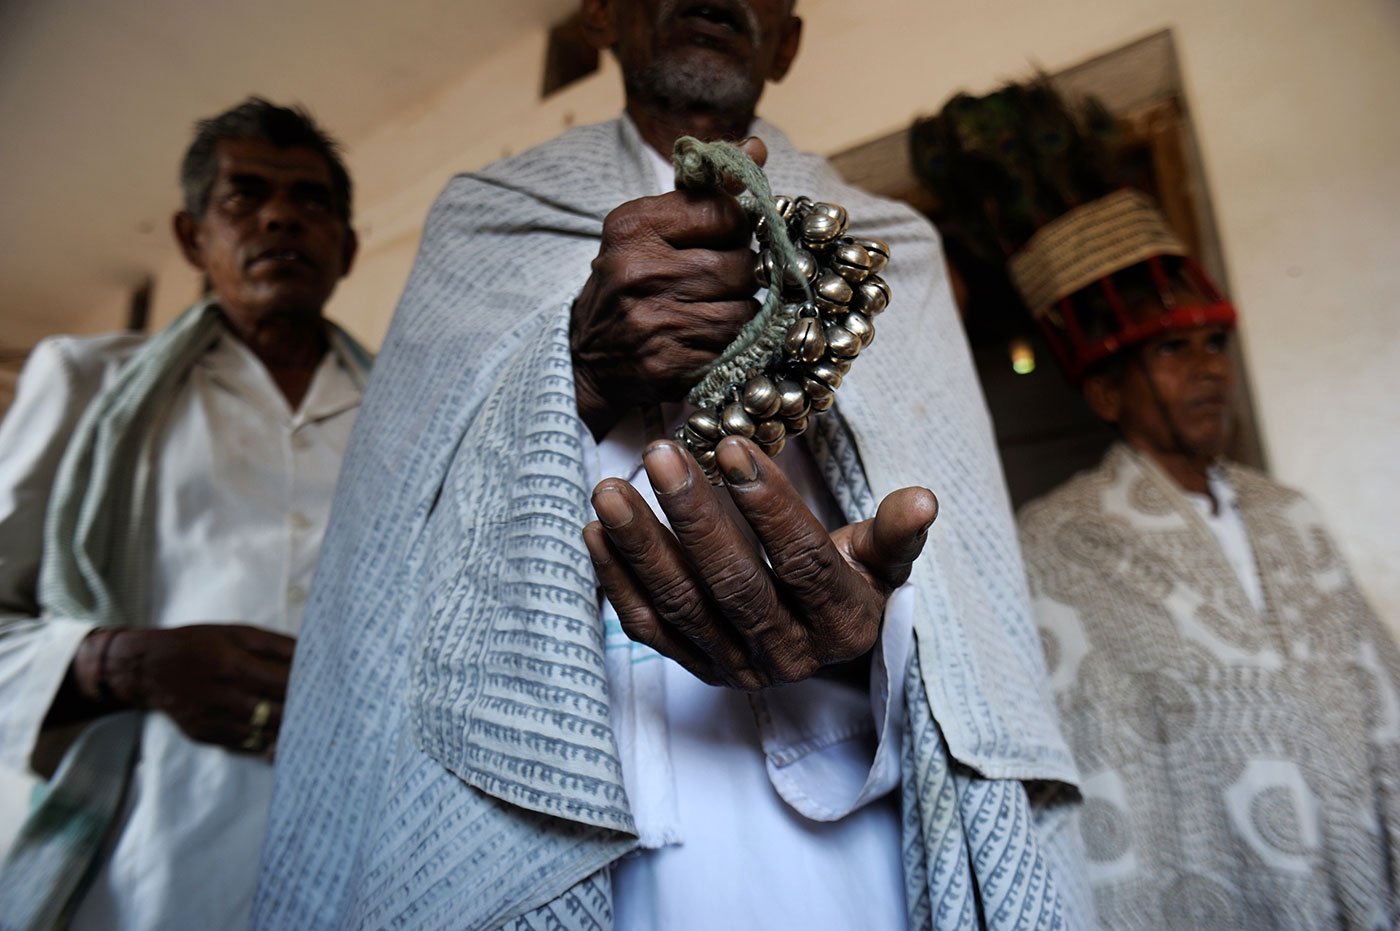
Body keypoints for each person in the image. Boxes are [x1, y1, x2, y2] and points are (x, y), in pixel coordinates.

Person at [255, 3, 1090, 929]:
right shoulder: (487, 223)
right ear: (600, 15)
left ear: (791, 39)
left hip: (853, 808)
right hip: (556, 788)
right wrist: (575, 364)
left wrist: (871, 642)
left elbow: (969, 601)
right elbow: (393, 544)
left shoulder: (897, 244)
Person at [915, 80, 1400, 929]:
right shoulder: (1060, 540)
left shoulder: (1294, 515)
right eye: (1172, 352)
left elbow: (1379, 701)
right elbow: (1091, 760)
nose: (1209, 368)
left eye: (1215, 344)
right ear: (1105, 392)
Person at [0, 97, 370, 930]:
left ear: (346, 248)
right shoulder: (88, 387)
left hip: (367, 851)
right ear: (191, 237)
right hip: (145, 864)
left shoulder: (406, 417)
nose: (280, 215)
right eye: (244, 196)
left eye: (311, 200)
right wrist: (120, 662)